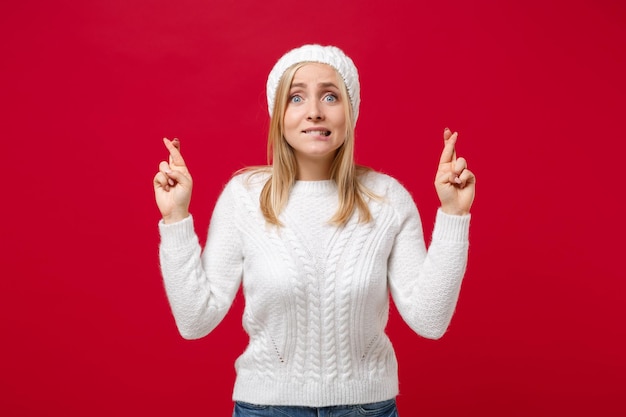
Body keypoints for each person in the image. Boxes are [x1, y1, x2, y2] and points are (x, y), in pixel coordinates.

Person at [153, 44, 475, 417]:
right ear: (279, 114)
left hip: (366, 409)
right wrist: (176, 218)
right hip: (266, 409)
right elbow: (196, 321)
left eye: (329, 95)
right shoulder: (243, 199)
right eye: (296, 97)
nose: (314, 112)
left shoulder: (388, 199)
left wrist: (453, 214)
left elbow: (430, 320)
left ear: (349, 112)